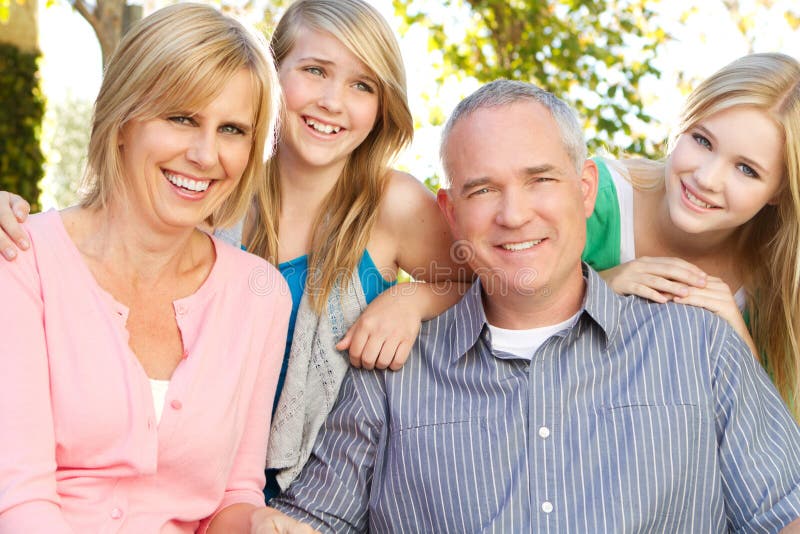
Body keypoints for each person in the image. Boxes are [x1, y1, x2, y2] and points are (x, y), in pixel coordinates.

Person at [252, 80, 800, 533]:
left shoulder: (697, 344)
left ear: (586, 191)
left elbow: (784, 512)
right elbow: (316, 519)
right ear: (450, 213)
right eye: (483, 190)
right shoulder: (393, 367)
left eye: (540, 180)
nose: (514, 214)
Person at [0, 0, 466, 501]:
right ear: (271, 75)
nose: (333, 101)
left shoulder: (392, 203)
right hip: (197, 480)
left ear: (382, 106)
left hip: (328, 486)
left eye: (362, 85)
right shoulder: (208, 184)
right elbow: (106, 237)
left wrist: (411, 299)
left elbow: (481, 281)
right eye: (314, 70)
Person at [0, 4, 291, 532]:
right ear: (121, 122)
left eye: (232, 129)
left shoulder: (261, 296)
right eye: (182, 118)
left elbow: (232, 494)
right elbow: (18, 499)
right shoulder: (20, 257)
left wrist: (263, 524)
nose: (205, 154)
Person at [583, 53, 800, 416]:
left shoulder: (778, 286)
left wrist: (737, 344)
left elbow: (780, 446)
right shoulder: (595, 200)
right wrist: (595, 289)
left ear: (778, 192)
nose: (706, 179)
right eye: (703, 141)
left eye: (746, 169)